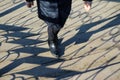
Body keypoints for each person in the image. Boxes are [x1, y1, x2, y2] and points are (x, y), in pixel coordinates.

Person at [25, 0, 93, 58]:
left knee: (61, 21)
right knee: (53, 23)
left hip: (64, 2)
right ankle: (52, 40)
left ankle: (53, 36)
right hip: (47, 3)